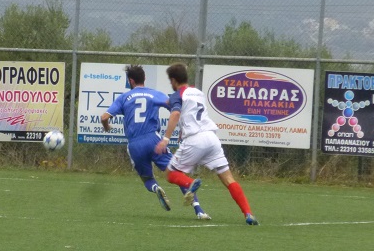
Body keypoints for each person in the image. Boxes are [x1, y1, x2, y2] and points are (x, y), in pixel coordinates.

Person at [101, 64, 210, 220]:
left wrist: (107, 127)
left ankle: (156, 188)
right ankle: (199, 210)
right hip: (153, 140)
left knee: (147, 178)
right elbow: (175, 109)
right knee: (177, 173)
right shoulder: (154, 94)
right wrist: (182, 128)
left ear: (131, 81)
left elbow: (104, 117)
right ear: (144, 78)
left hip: (134, 145)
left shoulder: (124, 98)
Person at [156, 62, 259, 226]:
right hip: (211, 138)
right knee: (228, 179)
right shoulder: (198, 93)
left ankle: (190, 184)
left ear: (174, 80)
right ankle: (248, 213)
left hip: (194, 140)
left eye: (171, 80)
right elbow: (191, 113)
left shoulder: (177, 95)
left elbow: (175, 113)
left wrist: (166, 139)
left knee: (170, 174)